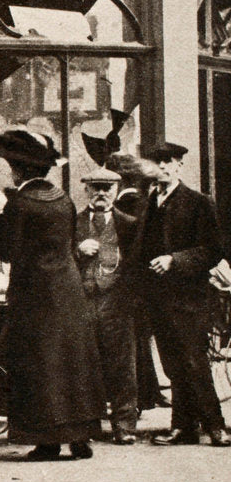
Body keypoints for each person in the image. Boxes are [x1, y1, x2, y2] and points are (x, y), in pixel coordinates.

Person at [0, 129, 105, 461]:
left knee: (40, 364)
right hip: (68, 289)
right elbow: (70, 242)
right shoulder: (64, 200)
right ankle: (81, 435)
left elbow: (8, 251)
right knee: (73, 362)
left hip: (34, 293)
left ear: (19, 170)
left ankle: (47, 441)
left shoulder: (19, 204)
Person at [128, 143, 230, 447]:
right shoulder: (149, 202)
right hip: (158, 298)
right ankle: (182, 427)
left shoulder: (198, 202)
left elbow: (213, 251)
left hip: (190, 299)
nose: (161, 168)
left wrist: (174, 260)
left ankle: (216, 426)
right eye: (155, 163)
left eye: (167, 163)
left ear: (178, 166)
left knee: (194, 362)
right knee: (173, 364)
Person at [73, 167, 139, 445]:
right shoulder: (72, 223)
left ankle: (124, 425)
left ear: (116, 189)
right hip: (81, 301)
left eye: (107, 188)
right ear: (86, 189)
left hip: (117, 303)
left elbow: (137, 265)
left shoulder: (130, 223)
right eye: (95, 187)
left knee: (122, 365)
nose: (101, 193)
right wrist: (77, 250)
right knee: (84, 363)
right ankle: (87, 426)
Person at [106, 153, 171, 411]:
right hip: (147, 280)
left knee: (132, 341)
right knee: (140, 339)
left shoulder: (125, 204)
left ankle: (143, 395)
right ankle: (148, 392)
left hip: (128, 280)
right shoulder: (144, 201)